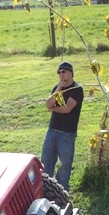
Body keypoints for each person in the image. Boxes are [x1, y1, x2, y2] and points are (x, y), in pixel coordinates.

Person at [41, 61, 84, 191]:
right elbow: (48, 104)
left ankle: (61, 189)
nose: (61, 74)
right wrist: (59, 89)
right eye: (59, 72)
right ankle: (45, 187)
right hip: (52, 129)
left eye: (63, 71)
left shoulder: (77, 89)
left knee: (65, 163)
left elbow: (67, 109)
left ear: (71, 72)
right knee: (46, 159)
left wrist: (52, 108)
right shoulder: (57, 87)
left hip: (67, 132)